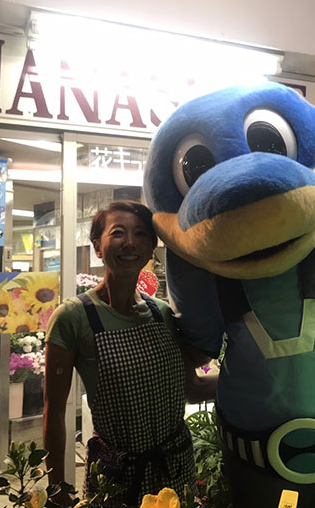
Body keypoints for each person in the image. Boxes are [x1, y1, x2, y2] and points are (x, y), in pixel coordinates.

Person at [43, 200, 215, 506]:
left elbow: (191, 388)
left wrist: (253, 378)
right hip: (116, 477)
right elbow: (54, 411)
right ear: (97, 246)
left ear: (151, 249)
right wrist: (57, 491)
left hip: (176, 468)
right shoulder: (73, 317)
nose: (130, 242)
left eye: (140, 234)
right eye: (118, 232)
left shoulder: (162, 313)